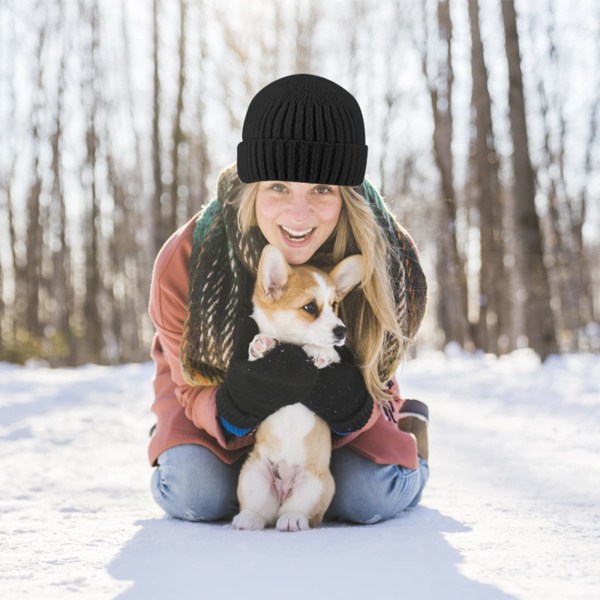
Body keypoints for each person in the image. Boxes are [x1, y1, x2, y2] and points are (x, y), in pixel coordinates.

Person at [148, 73, 429, 525]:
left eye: (322, 188)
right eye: (279, 186)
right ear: (252, 184)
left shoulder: (387, 258)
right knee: (195, 493)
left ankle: (413, 432)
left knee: (371, 497)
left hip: (325, 430)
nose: (299, 215)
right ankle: (186, 447)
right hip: (209, 405)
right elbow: (186, 383)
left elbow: (382, 367)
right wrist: (232, 407)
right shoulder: (188, 258)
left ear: (347, 194)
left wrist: (352, 405)